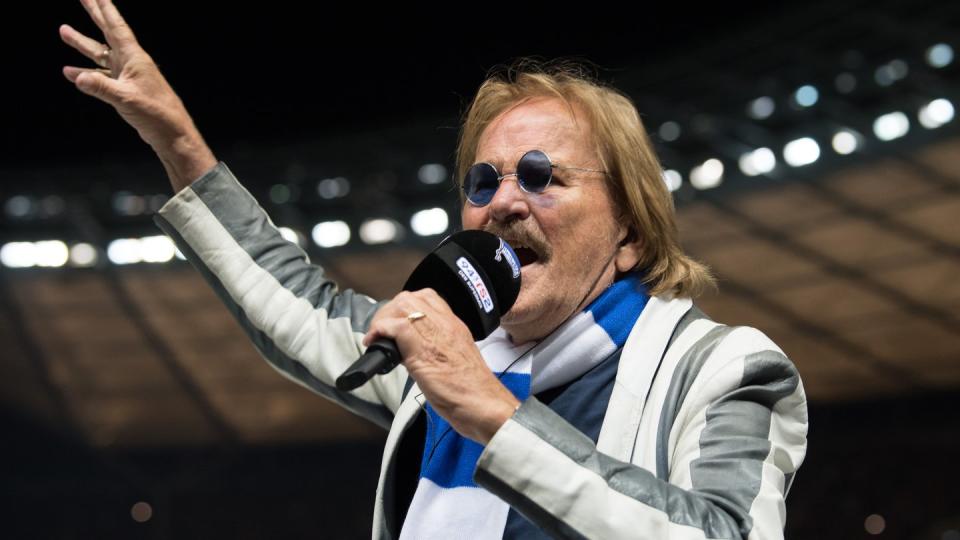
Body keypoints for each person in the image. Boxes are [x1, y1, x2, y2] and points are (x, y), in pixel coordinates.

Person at [61, 1, 809, 538]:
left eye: (543, 175)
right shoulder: (445, 356)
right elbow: (296, 303)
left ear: (631, 236)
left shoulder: (724, 369)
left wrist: (490, 411)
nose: (503, 202)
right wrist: (177, 141)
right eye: (482, 183)